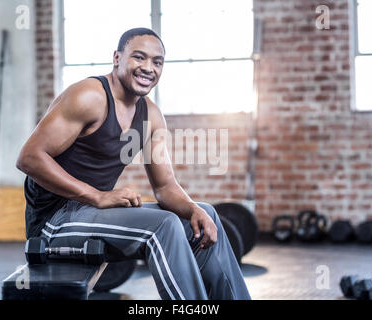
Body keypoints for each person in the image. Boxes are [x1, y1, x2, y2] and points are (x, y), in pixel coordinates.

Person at [16, 27, 251, 300]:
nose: (148, 68)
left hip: (93, 214)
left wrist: (192, 208)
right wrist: (96, 196)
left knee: (204, 216)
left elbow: (165, 187)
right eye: (139, 58)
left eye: (157, 62)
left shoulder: (151, 115)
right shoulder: (89, 96)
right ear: (117, 58)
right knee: (162, 225)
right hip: (53, 222)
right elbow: (29, 157)